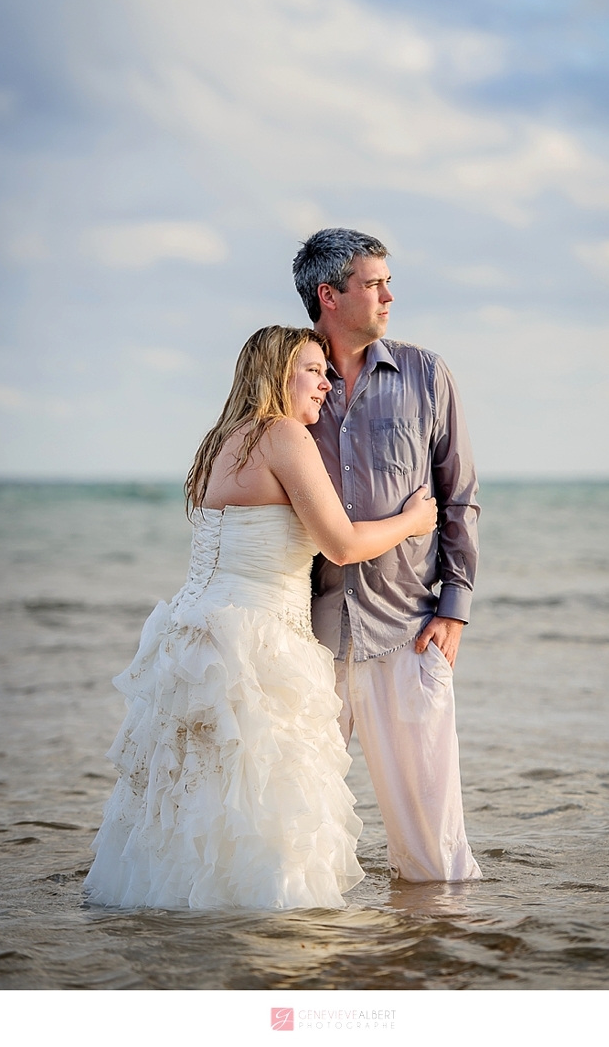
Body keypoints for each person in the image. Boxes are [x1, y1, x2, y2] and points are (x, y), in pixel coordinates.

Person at [83, 325, 436, 911]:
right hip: (257, 638)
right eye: (312, 370)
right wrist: (415, 520)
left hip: (192, 636)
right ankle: (266, 924)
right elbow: (342, 544)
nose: (326, 383)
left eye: (326, 371)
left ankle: (182, 912)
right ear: (276, 375)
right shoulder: (282, 435)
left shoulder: (221, 439)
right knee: (265, 796)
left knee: (193, 792)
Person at [292, 229, 483, 883]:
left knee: (435, 849)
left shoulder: (428, 374)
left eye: (386, 282)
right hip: (308, 638)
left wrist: (454, 611)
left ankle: (437, 967)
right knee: (299, 829)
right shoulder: (290, 384)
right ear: (329, 295)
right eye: (374, 284)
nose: (388, 296)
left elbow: (460, 497)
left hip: (409, 631)